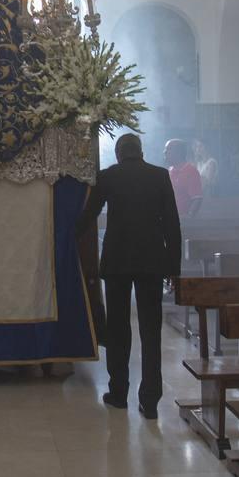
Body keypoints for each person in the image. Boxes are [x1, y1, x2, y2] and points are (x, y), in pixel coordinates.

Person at [74, 133, 181, 420]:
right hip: (151, 262)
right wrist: (174, 268)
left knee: (118, 330)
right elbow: (172, 222)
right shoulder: (159, 176)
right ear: (141, 152)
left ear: (119, 154)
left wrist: (65, 238)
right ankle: (150, 400)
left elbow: (88, 216)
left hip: (118, 262)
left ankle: (118, 393)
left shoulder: (108, 177)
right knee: (150, 331)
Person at [165, 138, 202, 218]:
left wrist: (188, 217)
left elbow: (197, 198)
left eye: (169, 149)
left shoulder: (191, 171)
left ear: (178, 153)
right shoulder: (169, 171)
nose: (165, 152)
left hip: (182, 221)